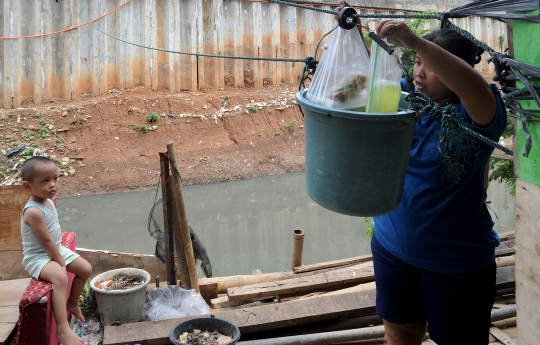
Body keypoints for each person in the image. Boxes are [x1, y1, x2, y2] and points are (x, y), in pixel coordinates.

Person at [337, 2, 507, 344]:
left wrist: (417, 44)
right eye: (417, 63)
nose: (420, 72)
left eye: (432, 67)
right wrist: (352, 35)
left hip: (455, 262)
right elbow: (346, 93)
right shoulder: (408, 98)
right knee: (399, 333)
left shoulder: (476, 114)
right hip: (391, 244)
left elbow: (473, 86)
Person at [21, 156, 92, 345]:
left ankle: (72, 303)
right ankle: (62, 329)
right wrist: (60, 261)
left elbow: (53, 240)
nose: (52, 185)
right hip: (38, 257)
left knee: (86, 269)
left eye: (55, 179)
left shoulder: (49, 200)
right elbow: (46, 241)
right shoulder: (33, 211)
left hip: (56, 249)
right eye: (45, 181)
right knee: (60, 276)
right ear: (27, 186)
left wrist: (59, 255)